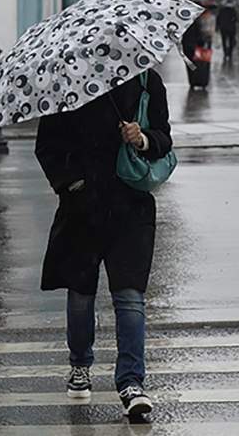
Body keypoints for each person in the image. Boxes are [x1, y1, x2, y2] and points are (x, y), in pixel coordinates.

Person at [35, 69, 173, 418]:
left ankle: (131, 382)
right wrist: (72, 183)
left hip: (131, 208)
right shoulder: (67, 83)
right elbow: (46, 146)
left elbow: (164, 139)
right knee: (81, 293)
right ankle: (80, 365)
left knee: (130, 297)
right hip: (82, 208)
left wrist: (141, 139)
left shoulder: (147, 82)